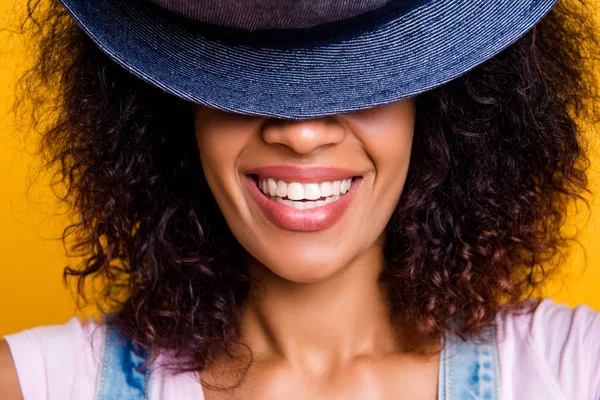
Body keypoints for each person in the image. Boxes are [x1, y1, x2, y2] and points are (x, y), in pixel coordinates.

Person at [1, 0, 600, 398]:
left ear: (442, 100)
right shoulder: (41, 385)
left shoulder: (572, 371)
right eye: (242, 73)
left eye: (365, 74)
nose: (302, 129)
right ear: (170, 105)